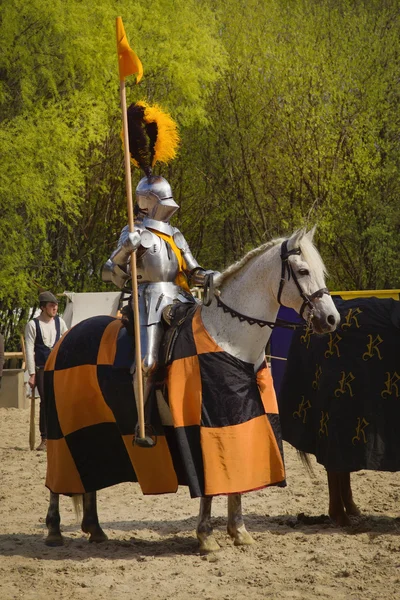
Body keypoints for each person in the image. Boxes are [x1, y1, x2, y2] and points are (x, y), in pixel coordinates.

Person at [102, 174, 216, 406]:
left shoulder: (175, 235)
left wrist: (214, 278)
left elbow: (193, 271)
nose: (168, 205)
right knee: (148, 362)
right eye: (163, 199)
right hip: (149, 300)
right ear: (148, 201)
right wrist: (126, 249)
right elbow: (109, 270)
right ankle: (141, 420)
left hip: (181, 297)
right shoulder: (134, 230)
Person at [25, 291, 68, 451]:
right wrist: (32, 374)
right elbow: (29, 350)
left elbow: (66, 343)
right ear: (43, 307)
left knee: (59, 402)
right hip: (41, 368)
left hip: (57, 368)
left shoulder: (60, 323)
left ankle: (58, 436)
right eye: (51, 305)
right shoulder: (33, 325)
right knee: (46, 402)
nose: (55, 307)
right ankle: (45, 437)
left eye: (56, 305)